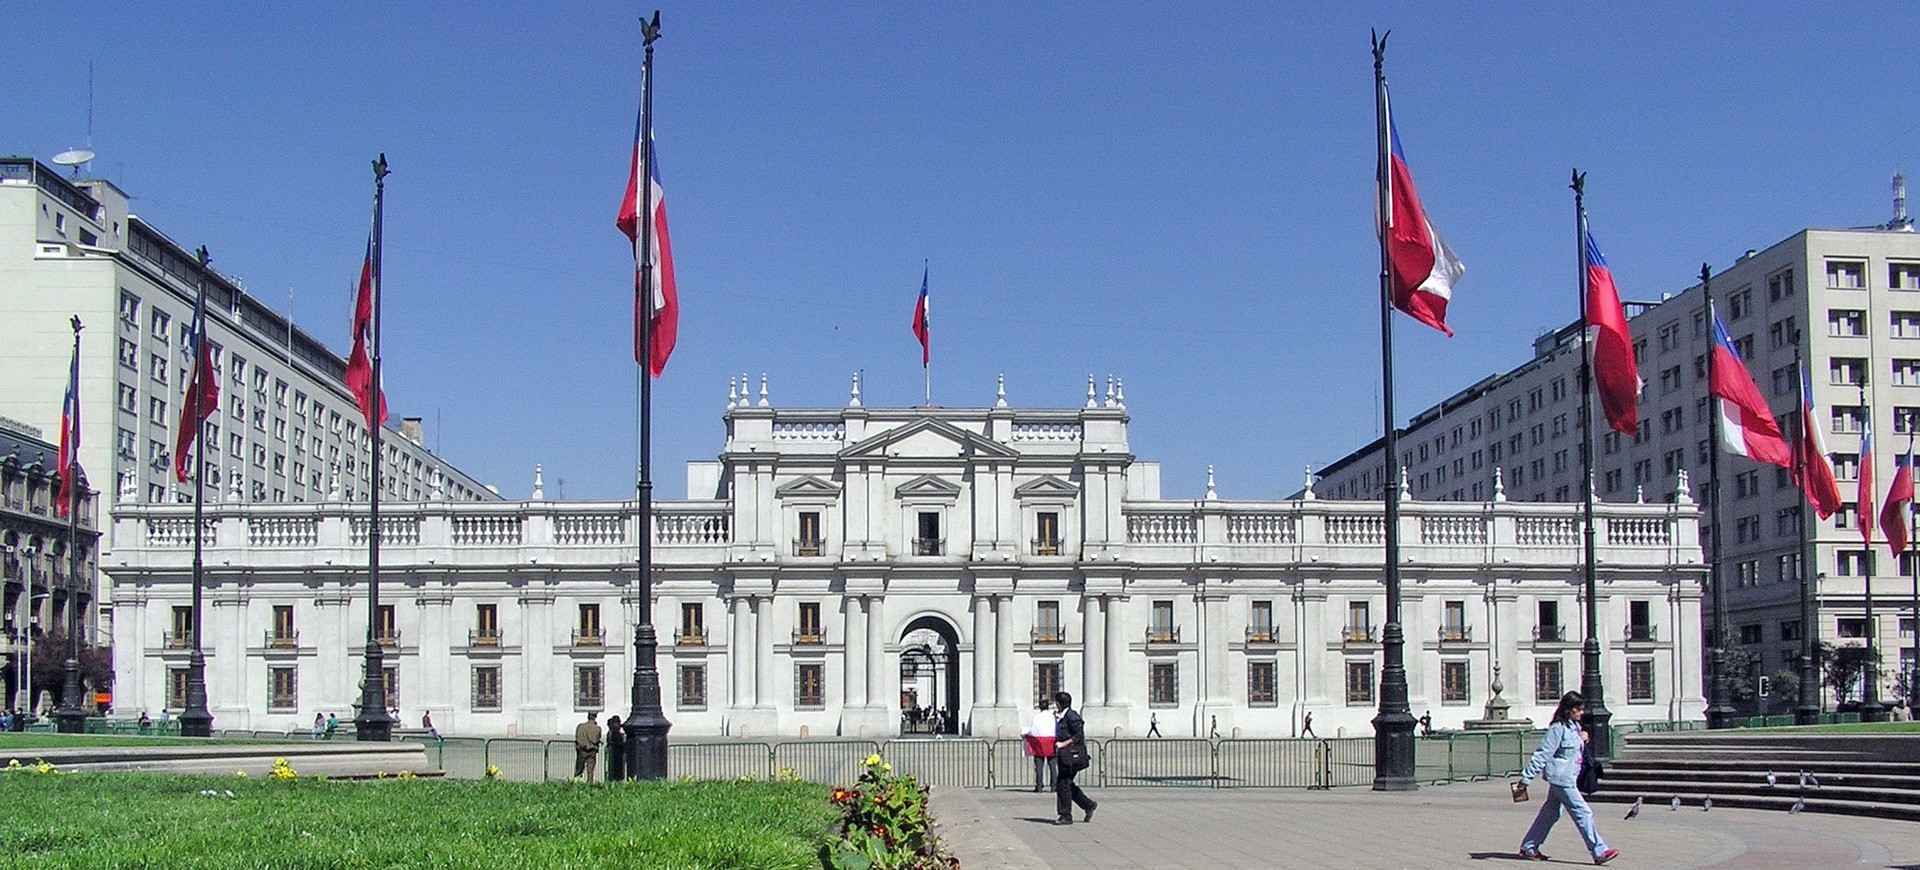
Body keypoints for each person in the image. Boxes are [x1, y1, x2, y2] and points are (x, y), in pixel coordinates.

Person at [1514, 691, 1616, 865]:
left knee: (1550, 813)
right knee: (1583, 812)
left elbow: (1575, 751)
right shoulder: (1557, 728)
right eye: (1578, 709)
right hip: (1561, 779)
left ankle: (1529, 846)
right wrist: (1526, 779)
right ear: (1568, 709)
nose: (1582, 713)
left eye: (1582, 709)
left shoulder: (1574, 727)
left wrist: (1584, 738)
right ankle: (1599, 851)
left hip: (1569, 776)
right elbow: (1542, 754)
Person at [1051, 691, 1097, 826]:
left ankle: (1065, 815)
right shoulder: (1062, 716)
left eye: (1056, 703)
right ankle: (1088, 805)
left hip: (1071, 757)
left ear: (1059, 704)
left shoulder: (1072, 717)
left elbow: (1078, 736)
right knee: (1066, 784)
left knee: (1063, 784)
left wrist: (1063, 744)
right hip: (1065, 757)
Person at [1022, 699, 1057, 793]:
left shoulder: (1036, 717)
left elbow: (1032, 731)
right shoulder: (1052, 717)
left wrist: (1026, 734)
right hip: (1051, 743)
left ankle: (1039, 786)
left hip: (1039, 744)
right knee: (1053, 766)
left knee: (1039, 766)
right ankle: (1054, 786)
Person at [574, 712, 604, 781]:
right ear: (595, 717)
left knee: (579, 769)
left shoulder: (581, 726)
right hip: (592, 750)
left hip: (582, 750)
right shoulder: (597, 728)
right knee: (590, 771)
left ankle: (576, 783)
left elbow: (578, 738)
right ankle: (589, 784)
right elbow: (596, 739)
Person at [605, 715, 627, 781]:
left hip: (614, 752)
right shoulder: (618, 732)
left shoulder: (611, 732)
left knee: (613, 769)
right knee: (618, 770)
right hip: (618, 752)